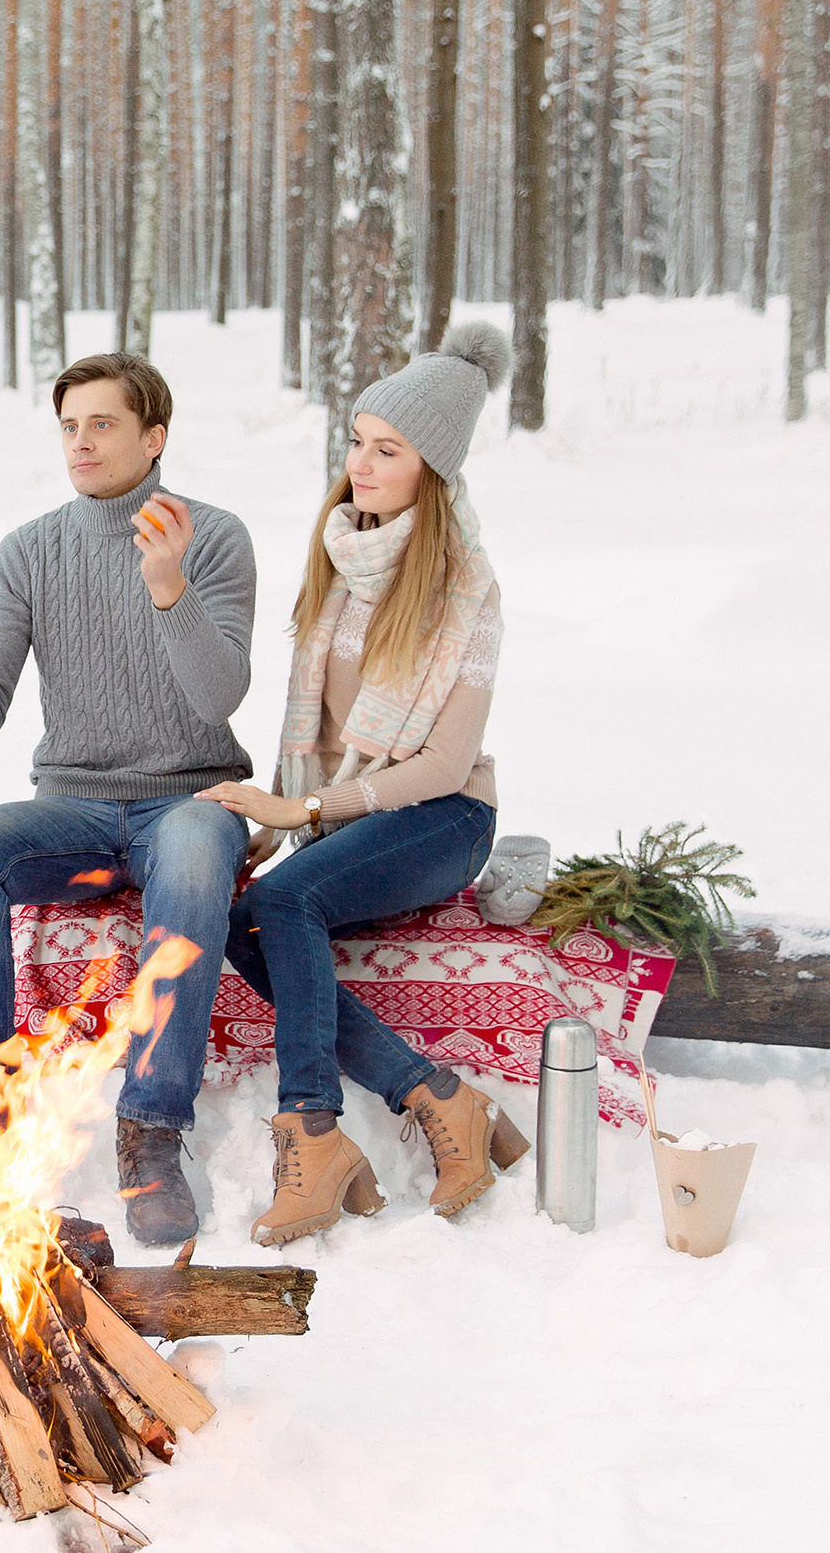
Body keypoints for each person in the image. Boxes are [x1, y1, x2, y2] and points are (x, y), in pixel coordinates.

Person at [203, 321, 532, 1248]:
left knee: (289, 901)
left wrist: (302, 812)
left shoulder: (467, 589)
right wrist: (270, 808)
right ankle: (438, 1096)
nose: (362, 464)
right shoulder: (341, 559)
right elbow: (315, 729)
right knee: (249, 918)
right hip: (347, 815)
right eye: (357, 440)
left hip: (444, 816)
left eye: (388, 449)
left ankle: (311, 1131)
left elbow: (435, 763)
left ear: (433, 466)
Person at [0, 353, 256, 1247]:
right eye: (70, 425)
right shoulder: (29, 551)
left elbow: (220, 695)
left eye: (103, 424)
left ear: (154, 437)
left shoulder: (213, 537)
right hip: (73, 807)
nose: (82, 441)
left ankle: (152, 1128)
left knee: (191, 847)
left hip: (190, 795)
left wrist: (171, 591)